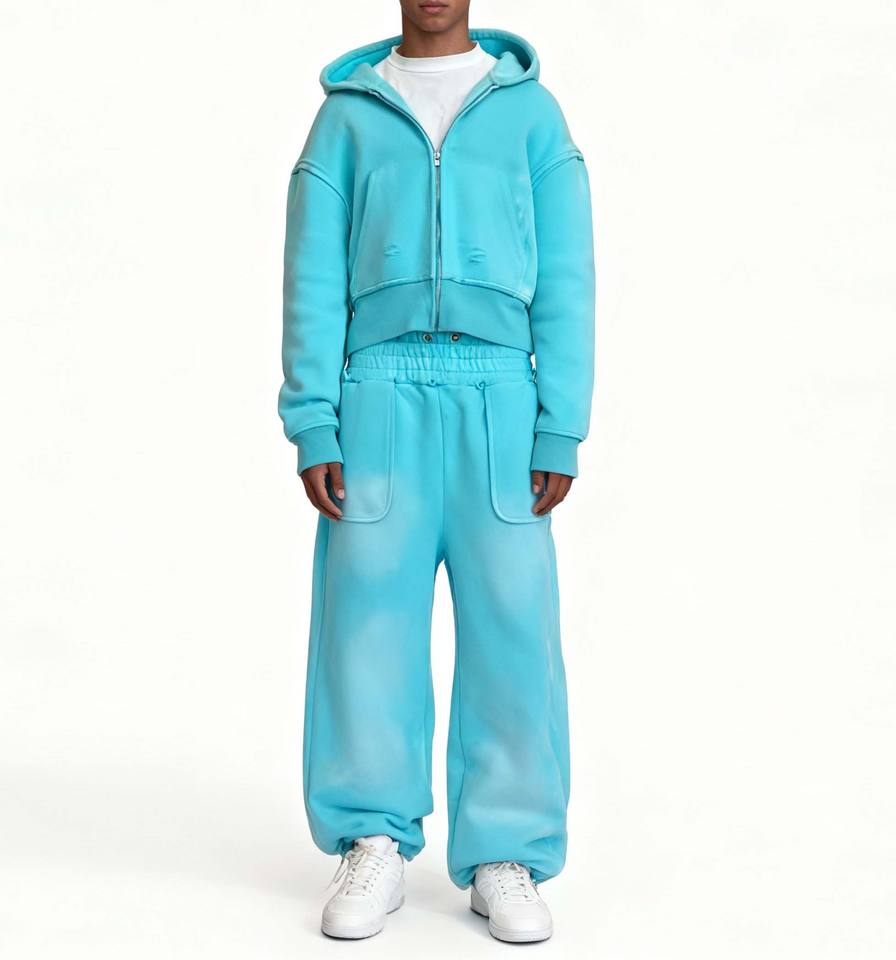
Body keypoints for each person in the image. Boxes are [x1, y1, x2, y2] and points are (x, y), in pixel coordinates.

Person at [278, 0, 594, 943]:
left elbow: (569, 277)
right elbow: (311, 276)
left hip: (501, 395)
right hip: (378, 392)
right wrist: (314, 418)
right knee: (366, 622)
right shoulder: (347, 116)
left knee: (513, 625)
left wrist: (559, 427)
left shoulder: (532, 116)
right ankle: (372, 837)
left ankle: (506, 851)